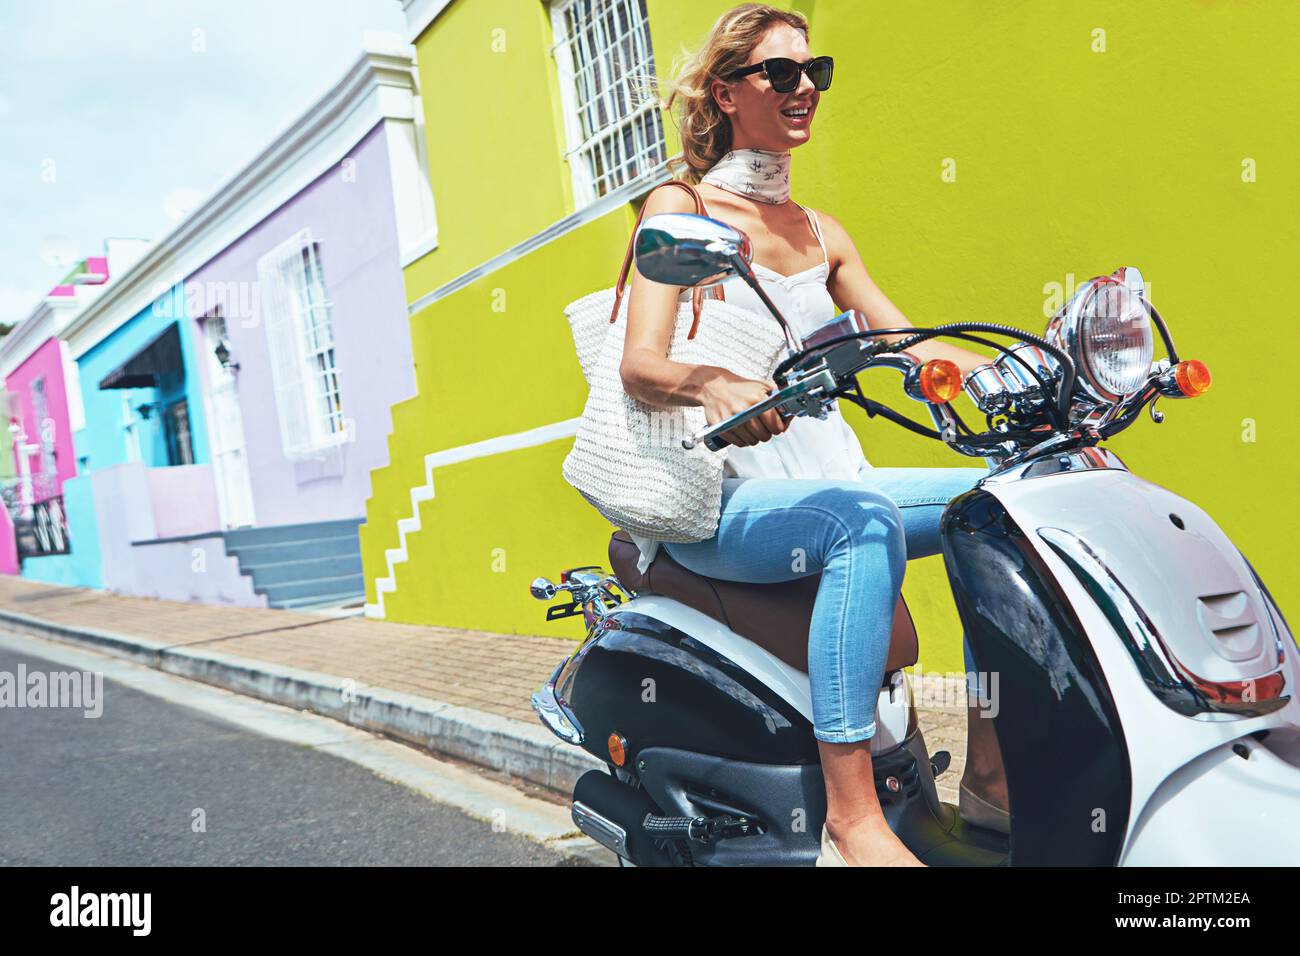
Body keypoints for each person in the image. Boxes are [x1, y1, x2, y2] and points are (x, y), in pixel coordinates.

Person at [619, 4, 1004, 866]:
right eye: (781, 74)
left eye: (814, 72)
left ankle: (990, 770)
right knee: (856, 524)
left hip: (823, 475)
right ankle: (852, 813)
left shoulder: (823, 232)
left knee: (998, 510)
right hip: (721, 496)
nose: (805, 90)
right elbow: (639, 364)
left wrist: (1028, 379)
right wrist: (713, 381)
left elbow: (904, 344)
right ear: (725, 93)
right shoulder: (678, 208)